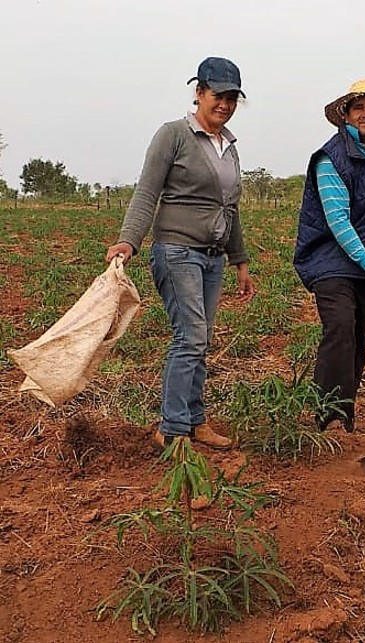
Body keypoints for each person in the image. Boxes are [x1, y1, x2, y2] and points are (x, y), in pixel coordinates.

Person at [106, 56, 255, 451]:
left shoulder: (230, 147)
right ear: (199, 93)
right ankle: (171, 429)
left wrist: (240, 261)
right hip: (177, 251)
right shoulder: (173, 135)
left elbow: (231, 208)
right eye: (217, 95)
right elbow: (147, 192)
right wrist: (129, 240)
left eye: (231, 98)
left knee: (200, 339)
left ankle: (195, 420)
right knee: (189, 336)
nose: (224, 104)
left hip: (212, 257)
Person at [293, 79, 365, 433]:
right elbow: (337, 220)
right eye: (359, 108)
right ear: (346, 115)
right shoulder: (331, 158)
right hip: (329, 256)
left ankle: (345, 411)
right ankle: (325, 412)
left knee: (359, 333)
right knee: (340, 326)